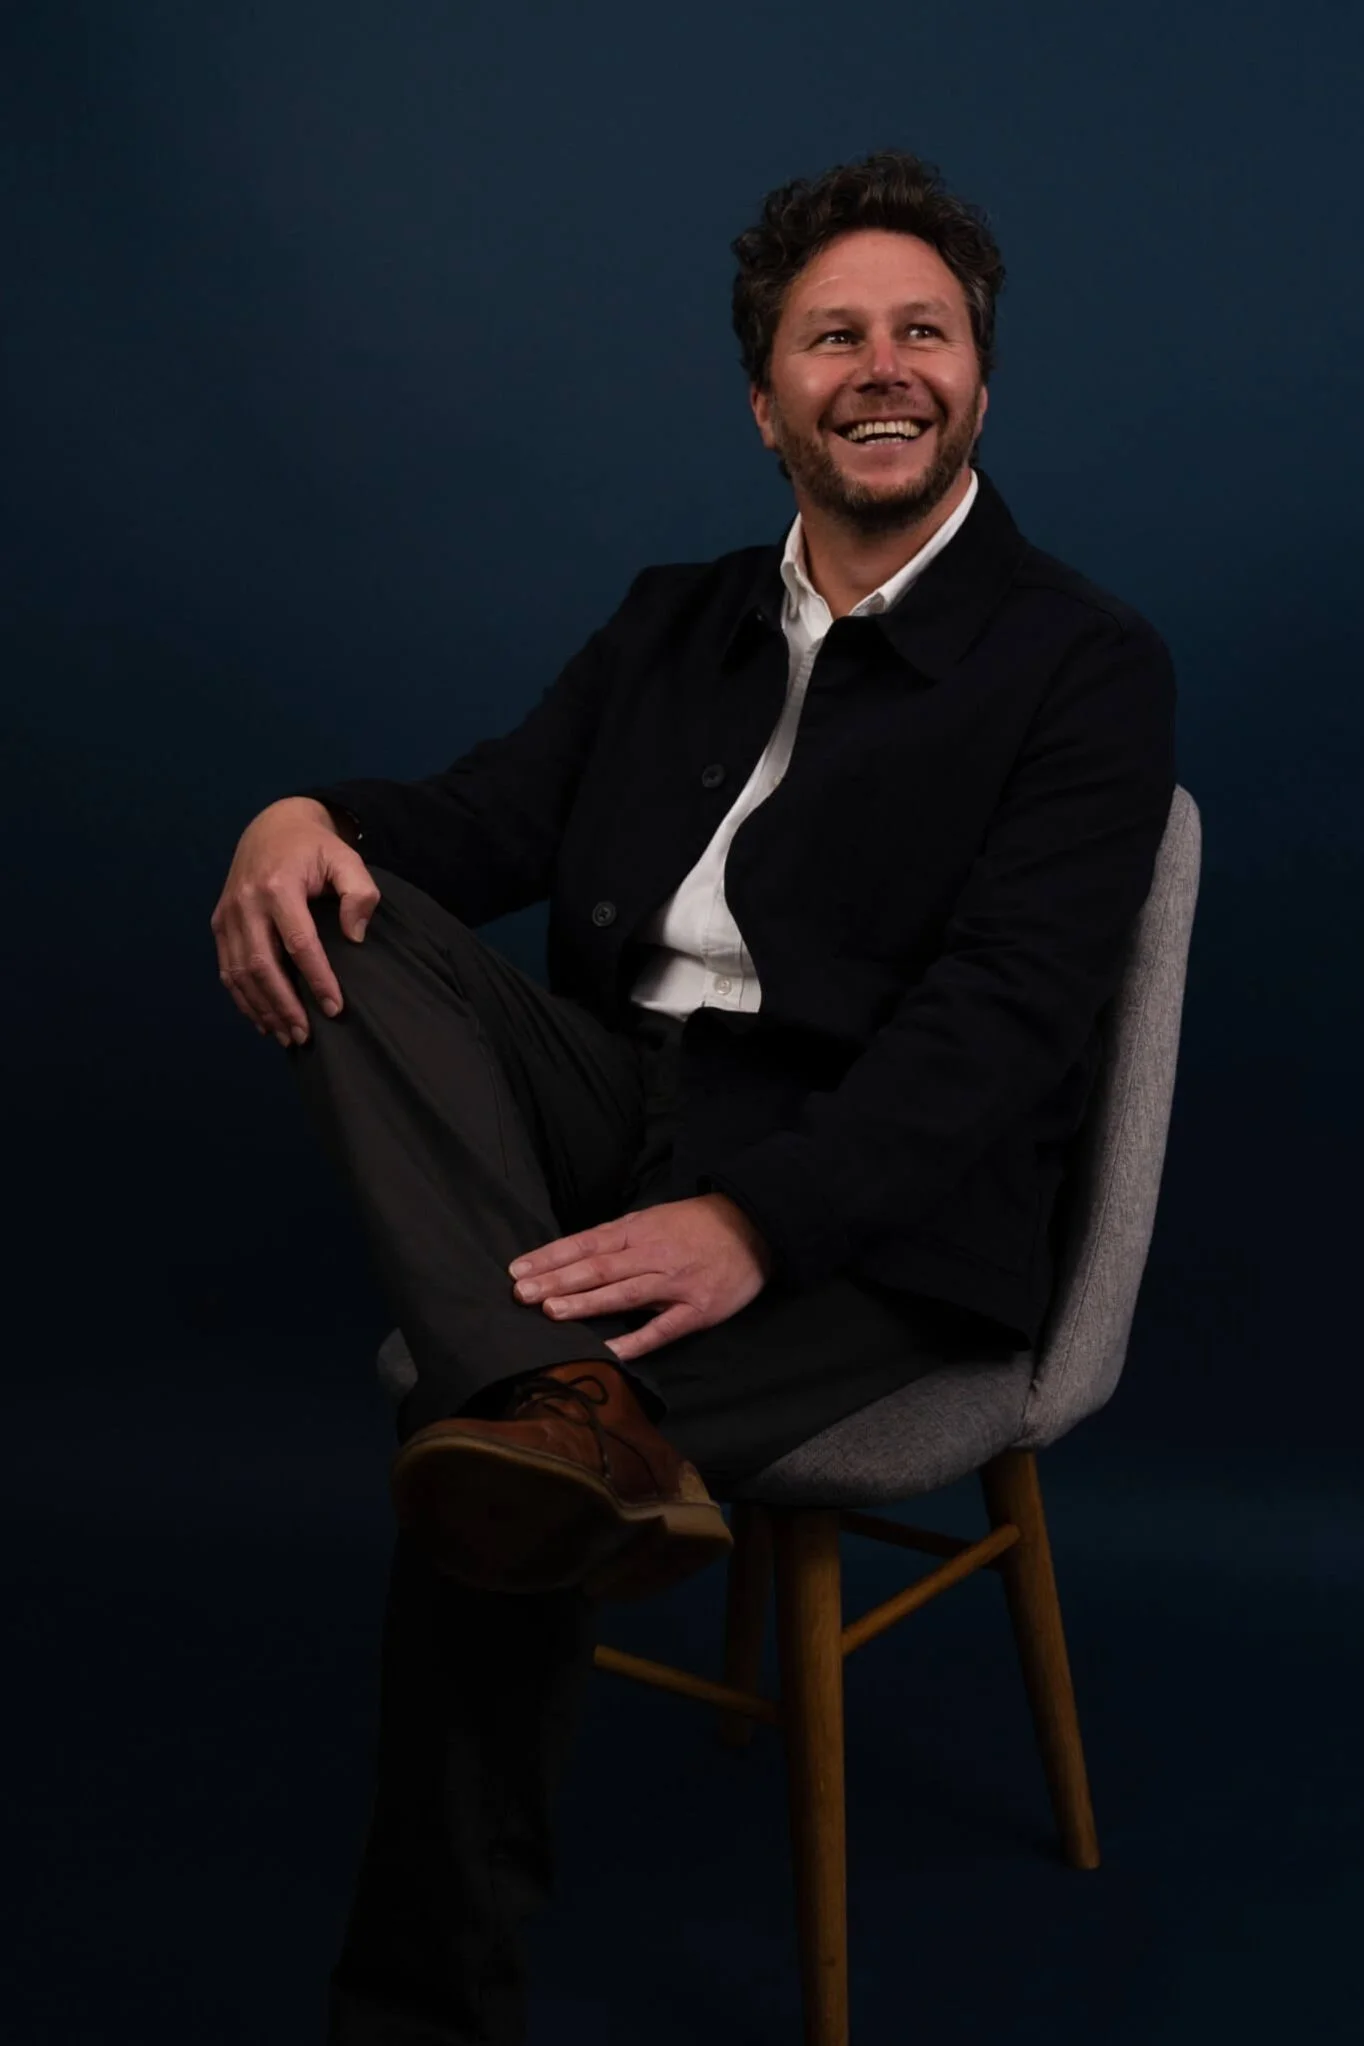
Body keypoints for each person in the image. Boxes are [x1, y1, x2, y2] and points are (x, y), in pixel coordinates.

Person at [210, 148, 1176, 2044]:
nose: (882, 367)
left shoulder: (1084, 664)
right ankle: (552, 1391)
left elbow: (1003, 1028)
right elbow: (476, 821)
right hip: (616, 1114)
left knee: (492, 1463)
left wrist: (756, 1221)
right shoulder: (676, 618)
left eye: (924, 331)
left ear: (980, 381)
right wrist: (293, 816)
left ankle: (417, 2008)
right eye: (835, 335)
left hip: (878, 1201)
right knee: (349, 919)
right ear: (765, 400)